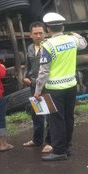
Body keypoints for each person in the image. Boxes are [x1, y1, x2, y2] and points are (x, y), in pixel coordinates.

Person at [34, 12, 87, 161]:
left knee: (57, 120)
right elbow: (83, 43)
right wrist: (75, 34)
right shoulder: (72, 40)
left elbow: (43, 71)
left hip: (54, 89)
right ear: (62, 26)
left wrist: (38, 91)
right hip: (71, 86)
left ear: (48, 29)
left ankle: (58, 151)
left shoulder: (47, 45)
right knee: (69, 117)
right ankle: (67, 146)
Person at [22, 22, 52, 153]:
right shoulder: (29, 48)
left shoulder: (49, 46)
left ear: (45, 33)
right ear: (30, 35)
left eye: (41, 33)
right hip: (33, 85)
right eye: (36, 33)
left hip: (48, 85)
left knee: (50, 114)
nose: (39, 36)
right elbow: (27, 65)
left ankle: (50, 142)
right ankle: (37, 140)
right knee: (37, 114)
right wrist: (25, 76)